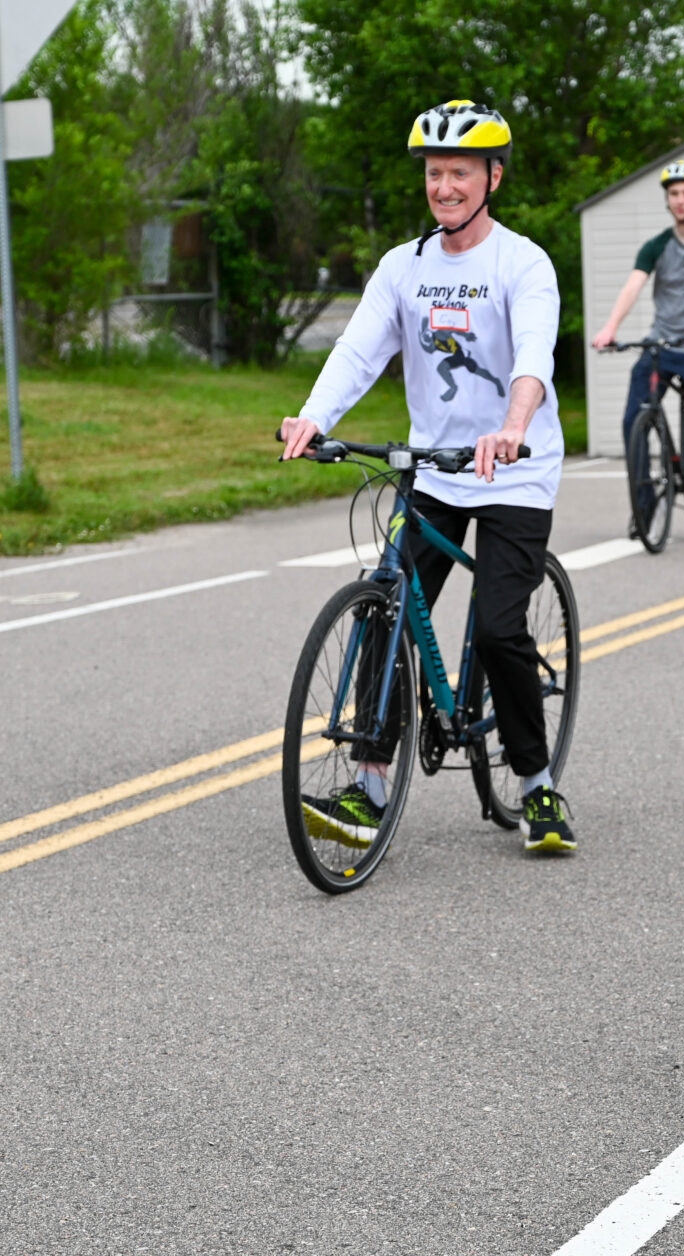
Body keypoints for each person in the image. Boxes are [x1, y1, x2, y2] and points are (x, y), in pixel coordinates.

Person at [278, 100, 576, 855]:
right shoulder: (403, 267)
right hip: (437, 469)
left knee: (500, 626)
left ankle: (538, 788)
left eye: (460, 173)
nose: (443, 186)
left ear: (493, 177)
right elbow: (358, 349)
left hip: (514, 470)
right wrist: (312, 416)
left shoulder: (522, 263)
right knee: (385, 603)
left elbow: (534, 358)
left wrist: (512, 427)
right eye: (434, 173)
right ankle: (370, 784)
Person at [591, 161, 684, 545]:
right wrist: (610, 328)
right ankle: (645, 511)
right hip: (663, 348)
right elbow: (633, 287)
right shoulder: (657, 246)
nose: (680, 200)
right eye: (674, 194)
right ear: (668, 199)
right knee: (633, 422)